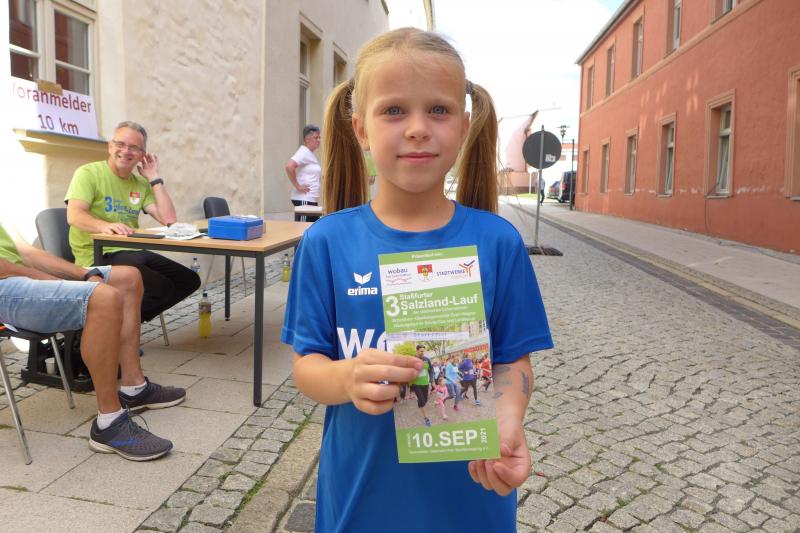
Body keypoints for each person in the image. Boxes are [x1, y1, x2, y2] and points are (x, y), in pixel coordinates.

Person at [282, 27, 553, 532]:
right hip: (362, 502)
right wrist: (347, 378)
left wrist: (508, 417)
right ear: (361, 130)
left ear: (464, 126)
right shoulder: (326, 243)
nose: (417, 129)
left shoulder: (498, 242)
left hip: (472, 501)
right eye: (393, 110)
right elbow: (307, 366)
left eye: (438, 110)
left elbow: (514, 360)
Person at [0, 223, 186, 461]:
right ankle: (109, 423)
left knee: (128, 277)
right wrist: (58, 282)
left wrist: (85, 274)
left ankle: (134, 387)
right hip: (5, 288)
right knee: (104, 298)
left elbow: (28, 253)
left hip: (18, 280)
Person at [64, 121, 201, 324]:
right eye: (120, 144)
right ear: (110, 146)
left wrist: (154, 178)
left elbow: (169, 220)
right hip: (97, 253)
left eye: (134, 147)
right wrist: (104, 226)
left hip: (131, 250)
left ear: (142, 154)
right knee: (160, 287)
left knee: (188, 280)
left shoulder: (141, 184)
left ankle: (119, 323)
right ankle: (109, 327)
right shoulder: (88, 173)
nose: (126, 151)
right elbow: (74, 215)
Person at [285, 125, 322, 207]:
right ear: (307, 139)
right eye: (316, 138)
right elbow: (289, 166)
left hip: (310, 199)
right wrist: (298, 186)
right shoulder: (304, 152)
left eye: (319, 137)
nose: (318, 140)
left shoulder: (309, 153)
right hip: (304, 198)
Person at [408, 344, 432, 427]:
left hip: (425, 384)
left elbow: (431, 370)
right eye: (421, 351)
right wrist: (410, 387)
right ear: (417, 351)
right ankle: (426, 418)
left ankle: (419, 402)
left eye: (423, 351)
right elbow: (409, 373)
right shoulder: (412, 360)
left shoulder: (427, 360)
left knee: (425, 401)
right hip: (416, 384)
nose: (422, 352)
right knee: (422, 402)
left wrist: (432, 381)